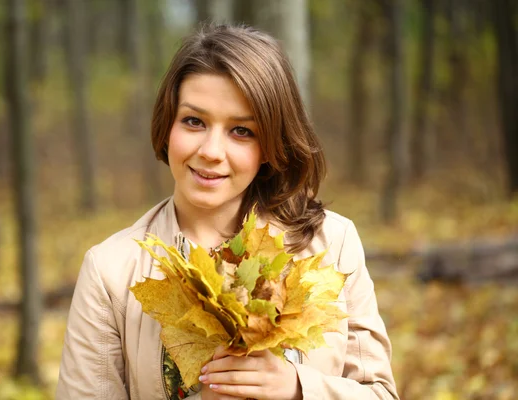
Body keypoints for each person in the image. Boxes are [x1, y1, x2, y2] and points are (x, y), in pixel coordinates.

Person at [56, 24, 399, 400]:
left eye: (241, 131)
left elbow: (380, 392)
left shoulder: (331, 243)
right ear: (167, 126)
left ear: (270, 145)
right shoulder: (110, 271)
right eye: (194, 121)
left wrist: (297, 389)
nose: (211, 151)